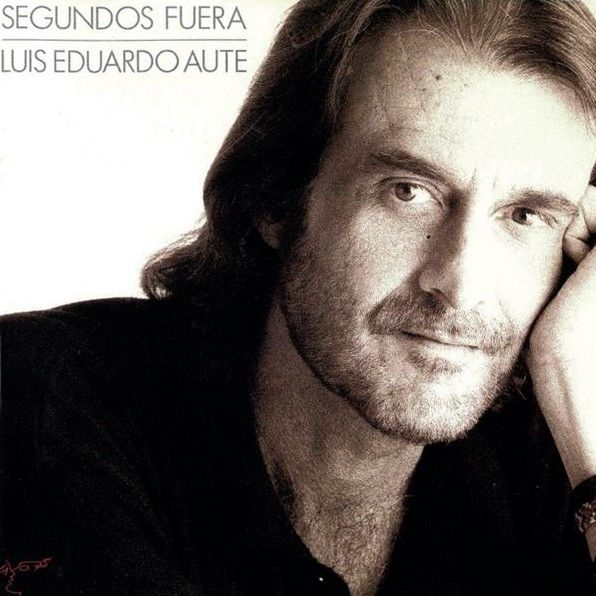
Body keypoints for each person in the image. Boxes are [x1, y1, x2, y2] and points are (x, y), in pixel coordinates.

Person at [1, 0, 596, 594]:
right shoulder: (42, 398)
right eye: (407, 192)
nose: (461, 286)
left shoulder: (554, 456)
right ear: (277, 197)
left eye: (525, 216)